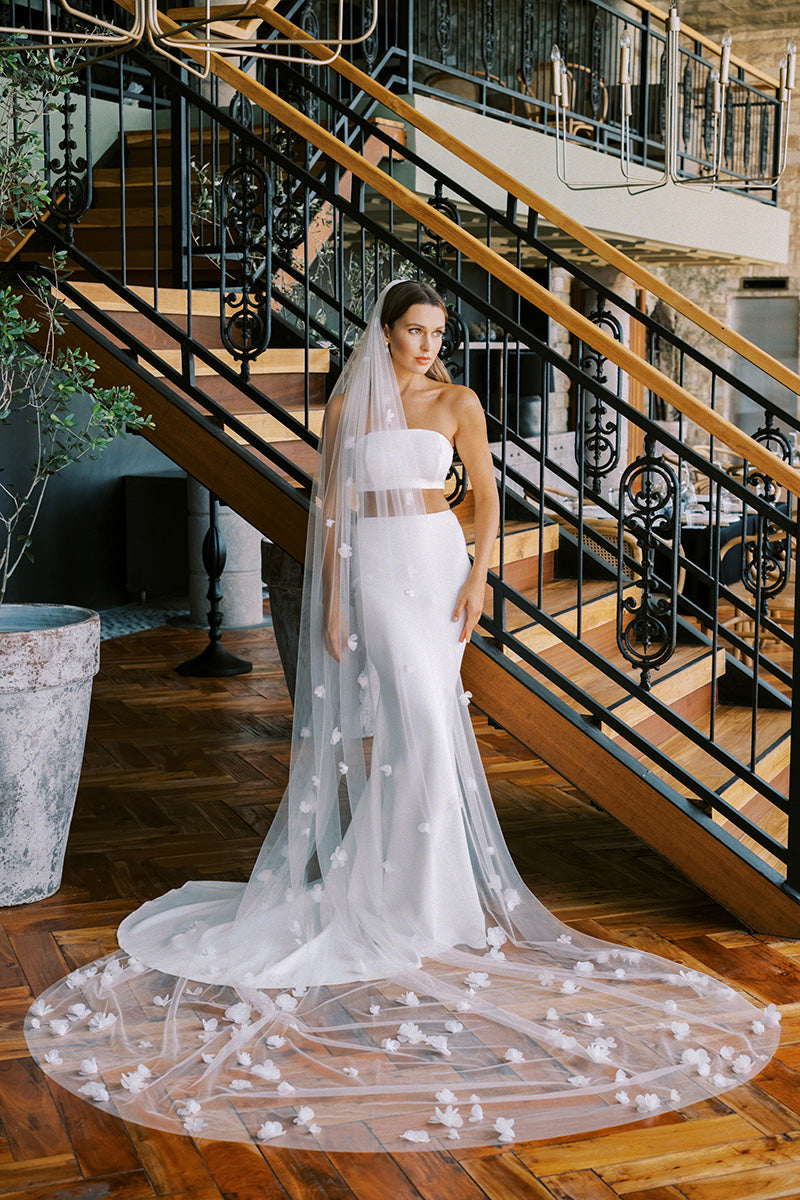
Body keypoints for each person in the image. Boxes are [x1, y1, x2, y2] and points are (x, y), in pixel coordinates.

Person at [25, 280, 780, 1152]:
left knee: (428, 729)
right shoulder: (350, 402)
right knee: (419, 725)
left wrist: (477, 577)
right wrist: (336, 602)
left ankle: (426, 898)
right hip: (377, 572)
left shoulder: (458, 402)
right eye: (416, 330)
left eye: (437, 332)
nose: (428, 344)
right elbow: (335, 506)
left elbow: (488, 502)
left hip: (436, 561)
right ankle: (387, 893)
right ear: (384, 331)